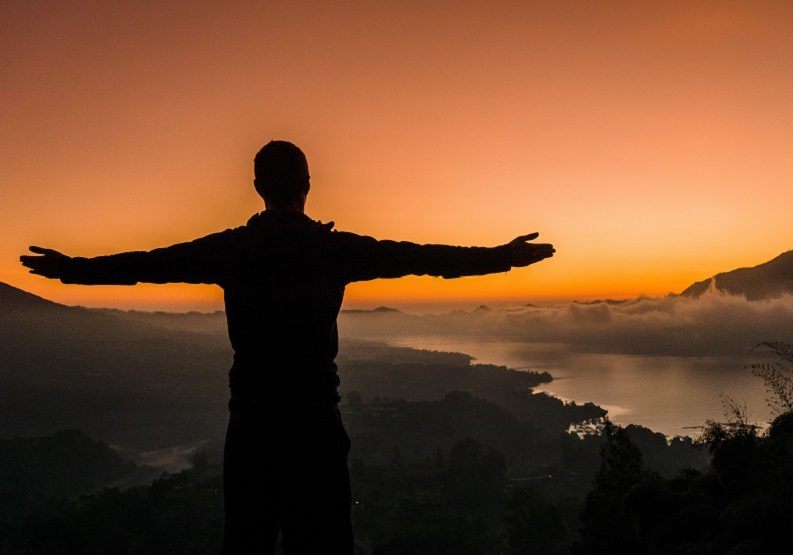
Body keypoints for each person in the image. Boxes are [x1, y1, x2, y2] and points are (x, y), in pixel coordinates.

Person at [20, 140, 555, 554]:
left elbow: (146, 264)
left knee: (247, 543)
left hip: (250, 426)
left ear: (258, 186)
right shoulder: (331, 250)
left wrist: (72, 271)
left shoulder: (234, 249)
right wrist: (500, 257)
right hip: (315, 427)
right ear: (307, 183)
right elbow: (422, 257)